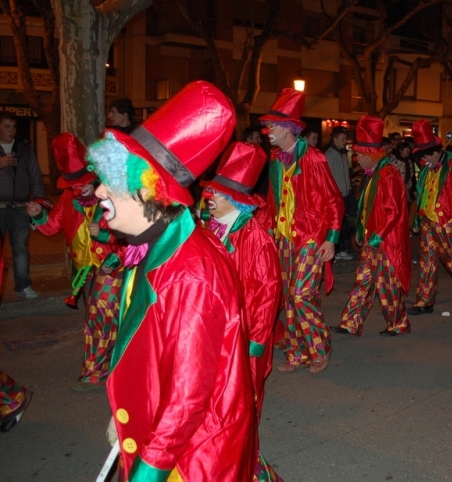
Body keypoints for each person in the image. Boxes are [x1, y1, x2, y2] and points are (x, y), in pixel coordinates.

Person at [89, 81, 258, 481]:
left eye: (111, 184)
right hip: (170, 436)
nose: (98, 191)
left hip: (192, 456)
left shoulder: (190, 273)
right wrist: (125, 417)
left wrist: (148, 471)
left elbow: (188, 396)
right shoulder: (155, 248)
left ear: (150, 192)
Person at [200, 141, 282, 481]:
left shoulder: (255, 238)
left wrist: (257, 341)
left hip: (246, 337)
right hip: (217, 335)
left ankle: (246, 468)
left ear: (232, 199)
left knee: (242, 406)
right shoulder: (210, 227)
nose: (208, 198)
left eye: (214, 194)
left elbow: (267, 292)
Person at [27, 133, 125, 391]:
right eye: (72, 186)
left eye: (82, 183)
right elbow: (50, 228)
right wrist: (38, 216)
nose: (77, 189)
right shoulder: (68, 200)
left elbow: (133, 236)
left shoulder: (112, 196)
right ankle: (113, 368)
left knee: (101, 318)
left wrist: (106, 236)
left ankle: (96, 373)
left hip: (113, 265)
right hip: (87, 271)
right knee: (101, 320)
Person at [260, 88, 343, 374]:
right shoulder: (274, 159)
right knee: (287, 295)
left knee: (301, 294)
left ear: (288, 128)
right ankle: (297, 351)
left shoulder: (315, 158)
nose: (267, 130)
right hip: (283, 236)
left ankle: (320, 348)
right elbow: (274, 199)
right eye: (267, 126)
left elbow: (334, 199)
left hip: (310, 235)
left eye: (272, 126)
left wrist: (331, 238)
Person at [331, 116, 411, 337]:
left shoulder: (389, 175)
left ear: (372, 155)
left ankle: (399, 323)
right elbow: (367, 208)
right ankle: (350, 322)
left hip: (384, 242)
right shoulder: (375, 174)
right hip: (371, 239)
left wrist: (377, 237)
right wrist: (361, 232)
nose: (358, 159)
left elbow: (393, 211)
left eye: (361, 155)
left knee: (386, 284)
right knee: (362, 281)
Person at [407, 119, 452, 314]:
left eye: (427, 156)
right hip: (427, 220)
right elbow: (421, 195)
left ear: (437, 151)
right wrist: (416, 220)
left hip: (446, 222)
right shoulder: (426, 168)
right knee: (427, 261)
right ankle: (424, 301)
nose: (424, 160)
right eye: (422, 156)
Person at [0, 112, 46, 299]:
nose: (11, 130)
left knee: (20, 248)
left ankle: (22, 285)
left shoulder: (24, 148)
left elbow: (36, 177)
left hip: (20, 207)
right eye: (6, 126)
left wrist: (40, 205)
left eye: (13, 127)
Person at [324, 126, 355, 261]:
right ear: (335, 139)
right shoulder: (329, 156)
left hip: (345, 193)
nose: (345, 141)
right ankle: (337, 250)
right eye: (342, 139)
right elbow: (328, 177)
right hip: (336, 195)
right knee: (337, 223)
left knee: (345, 222)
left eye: (345, 139)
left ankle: (342, 248)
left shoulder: (343, 154)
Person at [389, 141, 416, 208]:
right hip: (397, 188)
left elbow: (411, 174)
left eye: (409, 149)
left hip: (407, 187)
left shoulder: (409, 161)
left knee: (407, 206)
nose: (408, 151)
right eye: (406, 149)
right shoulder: (394, 161)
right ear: (400, 150)